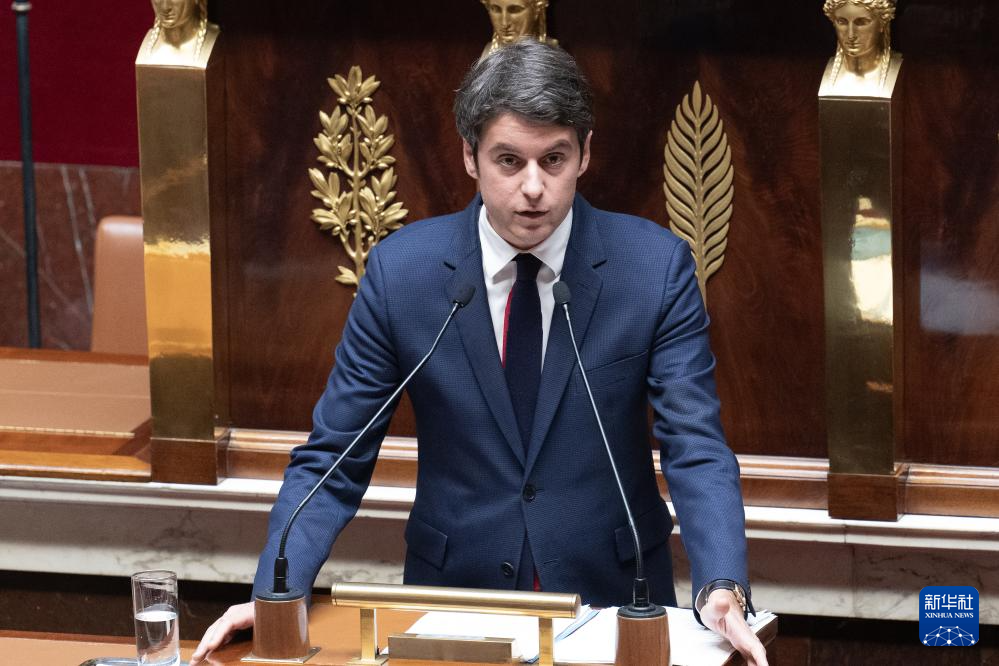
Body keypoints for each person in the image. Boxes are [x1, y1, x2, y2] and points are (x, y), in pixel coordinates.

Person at [192, 41, 767, 665]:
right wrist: (277, 595)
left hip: (614, 608)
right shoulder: (402, 275)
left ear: (585, 152)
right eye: (509, 160)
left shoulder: (652, 269)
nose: (533, 188)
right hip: (452, 609)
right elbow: (334, 458)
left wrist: (722, 585)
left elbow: (695, 445)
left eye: (554, 159)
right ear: (470, 156)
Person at [821, 0, 898, 93]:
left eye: (861, 22)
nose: (851, 35)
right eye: (842, 22)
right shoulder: (815, 74)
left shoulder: (905, 75)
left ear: (882, 23)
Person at [480, 0, 557, 57]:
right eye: (496, 9)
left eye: (515, 10)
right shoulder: (488, 54)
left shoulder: (552, 54)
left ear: (536, 9)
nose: (504, 23)